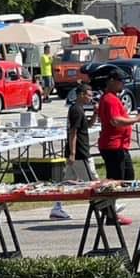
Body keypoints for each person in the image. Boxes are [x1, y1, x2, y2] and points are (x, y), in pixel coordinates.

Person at [97, 68, 140, 225]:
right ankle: (107, 209)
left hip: (119, 146)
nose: (123, 84)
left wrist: (130, 117)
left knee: (127, 178)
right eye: (120, 81)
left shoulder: (112, 98)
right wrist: (136, 119)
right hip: (113, 146)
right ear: (111, 81)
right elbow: (115, 121)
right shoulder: (109, 99)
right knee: (116, 181)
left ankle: (109, 207)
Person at [50, 82, 99, 220]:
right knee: (92, 180)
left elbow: (87, 126)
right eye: (89, 95)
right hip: (79, 153)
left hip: (77, 152)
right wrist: (72, 153)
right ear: (81, 95)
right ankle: (105, 206)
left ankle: (57, 207)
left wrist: (95, 114)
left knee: (67, 182)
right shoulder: (76, 110)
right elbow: (73, 132)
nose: (91, 98)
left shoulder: (79, 109)